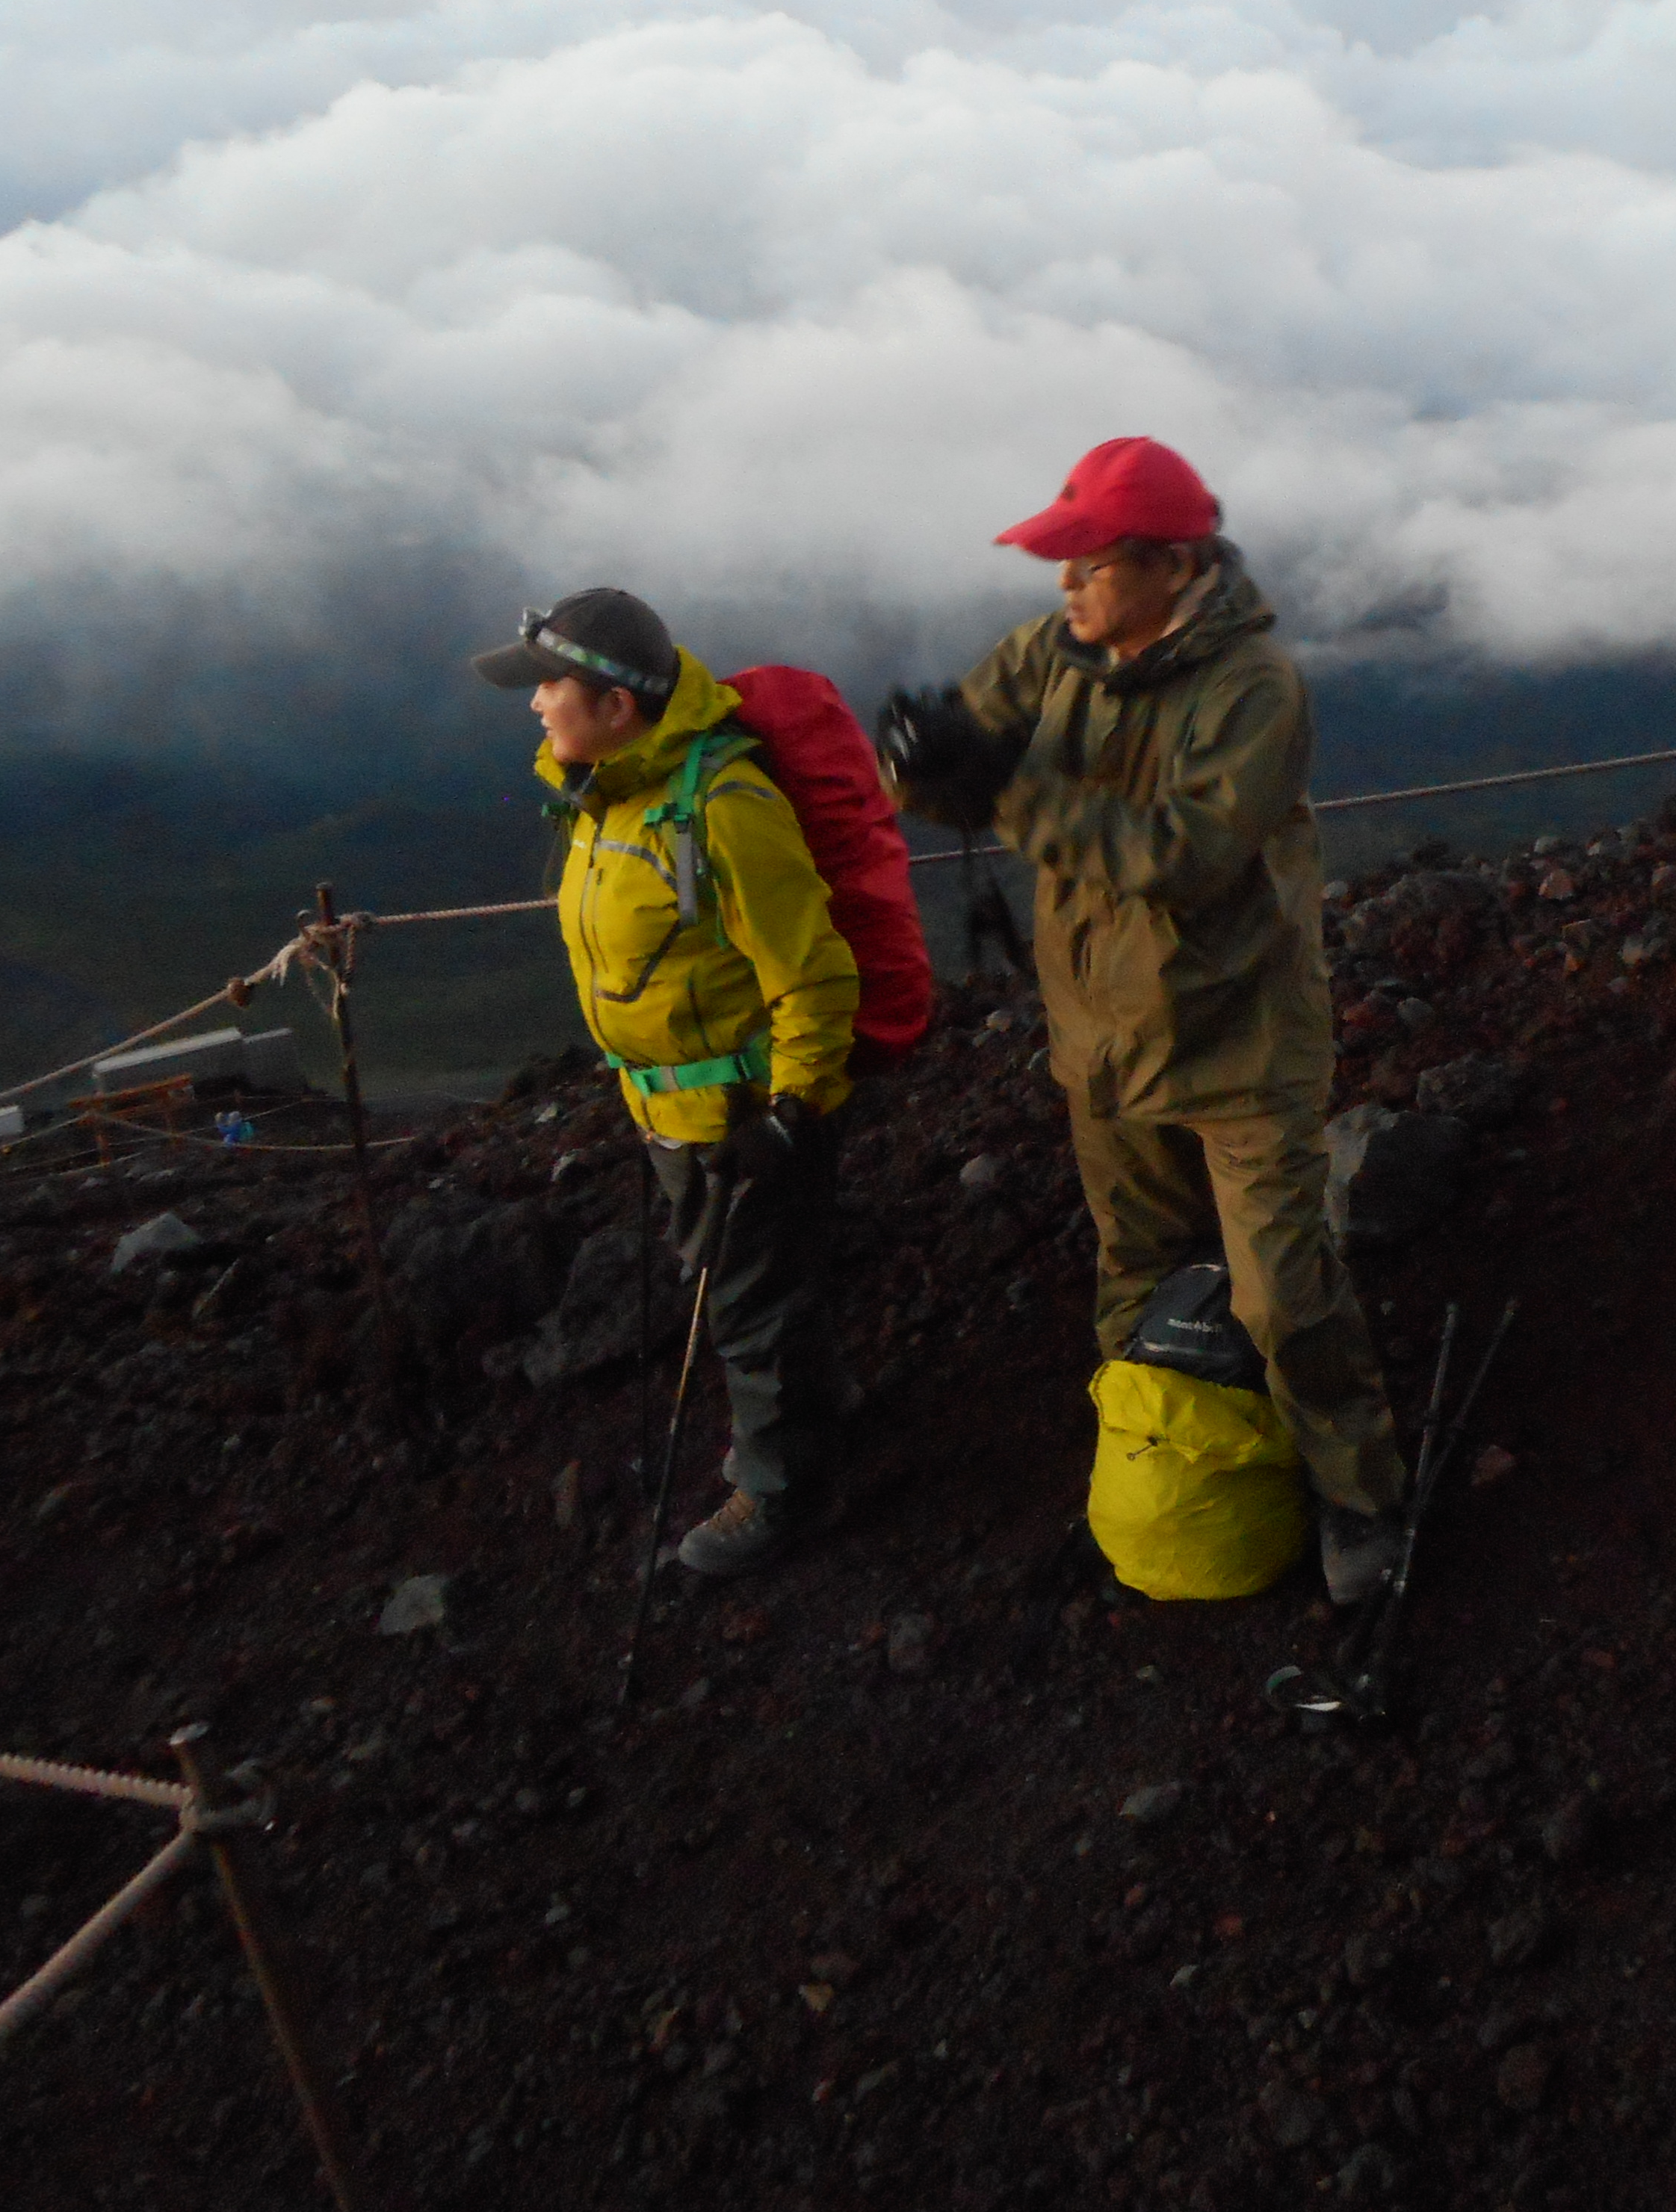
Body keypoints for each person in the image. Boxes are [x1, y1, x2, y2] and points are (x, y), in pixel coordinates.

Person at [876, 439, 1414, 1605]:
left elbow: (1183, 856)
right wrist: (921, 759)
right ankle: (1158, 1458)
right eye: (1058, 565)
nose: (1064, 589)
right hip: (1102, 1035)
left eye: (1089, 565)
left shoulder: (1252, 687)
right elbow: (958, 747)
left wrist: (1002, 787)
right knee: (1137, 1271)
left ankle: (1360, 1496)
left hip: (1240, 1045)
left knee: (1282, 1291)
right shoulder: (1055, 649)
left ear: (1173, 567)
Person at [476, 589, 860, 1577]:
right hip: (674, 1112)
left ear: (615, 704)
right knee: (756, 1289)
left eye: (549, 686)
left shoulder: (722, 807)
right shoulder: (611, 796)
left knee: (751, 1303)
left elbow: (810, 971)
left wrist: (788, 1116)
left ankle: (782, 1493)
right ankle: (817, 1425)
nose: (534, 706)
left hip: (743, 1114)